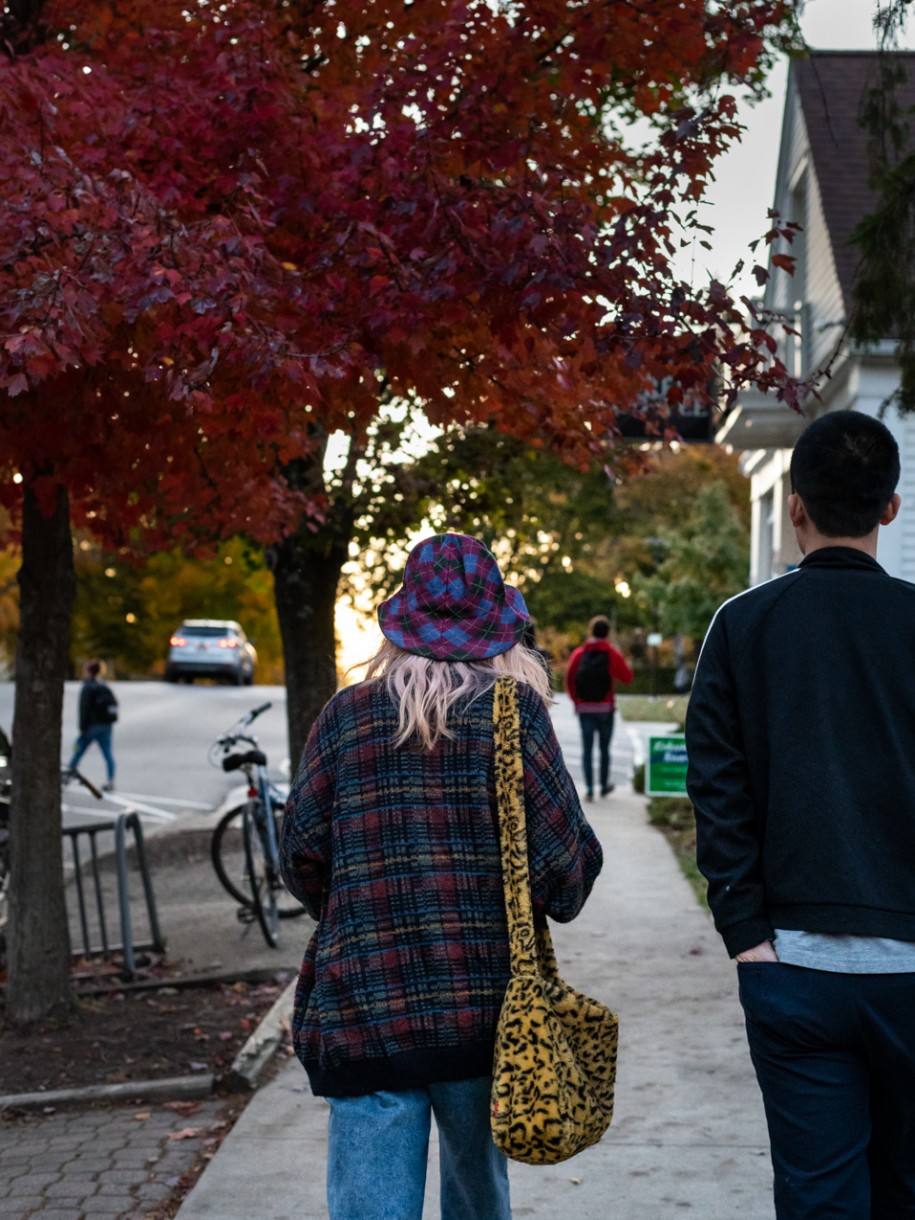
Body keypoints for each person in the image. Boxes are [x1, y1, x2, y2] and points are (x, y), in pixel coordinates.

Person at [280, 532, 602, 1220]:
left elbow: (301, 854)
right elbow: (565, 876)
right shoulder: (515, 717)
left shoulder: (345, 717)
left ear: (401, 626)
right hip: (482, 1015)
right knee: (477, 1201)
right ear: (497, 627)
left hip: (363, 1004)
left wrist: (362, 909)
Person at [685, 410, 915, 1220]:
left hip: (790, 970)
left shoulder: (741, 626)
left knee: (820, 1201)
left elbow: (717, 792)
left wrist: (746, 937)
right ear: (889, 507)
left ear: (793, 505)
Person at [565, 615, 633, 800]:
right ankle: (603, 786)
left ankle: (588, 788)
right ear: (608, 633)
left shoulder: (579, 654)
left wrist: (577, 701)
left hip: (585, 708)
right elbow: (627, 677)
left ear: (591, 631)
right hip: (605, 709)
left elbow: (570, 679)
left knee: (587, 749)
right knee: (604, 749)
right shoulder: (611, 653)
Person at [67, 659, 118, 791]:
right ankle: (110, 780)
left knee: (78, 750)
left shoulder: (87, 687)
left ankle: (66, 777)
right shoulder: (104, 686)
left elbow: (84, 709)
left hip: (91, 726)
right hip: (106, 726)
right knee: (108, 754)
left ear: (88, 671)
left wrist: (82, 728)